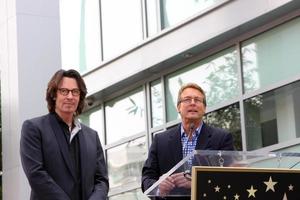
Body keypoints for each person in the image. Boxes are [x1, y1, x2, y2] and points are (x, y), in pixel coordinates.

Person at [20, 69, 109, 200]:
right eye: (64, 91)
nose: (70, 96)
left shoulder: (92, 137)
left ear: (80, 97)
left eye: (75, 92)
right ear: (54, 95)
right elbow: (36, 175)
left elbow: (102, 180)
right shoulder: (34, 128)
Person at [141, 83, 234, 199]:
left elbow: (230, 179)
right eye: (187, 99)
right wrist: (159, 187)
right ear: (178, 107)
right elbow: (147, 178)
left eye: (198, 100)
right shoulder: (160, 141)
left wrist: (196, 184)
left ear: (204, 108)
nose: (193, 103)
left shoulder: (221, 138)